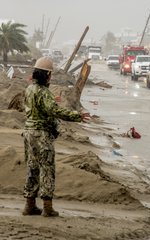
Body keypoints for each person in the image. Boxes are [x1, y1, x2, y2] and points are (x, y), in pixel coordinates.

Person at [22, 56, 89, 217]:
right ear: (47, 75)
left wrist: (52, 100)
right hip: (42, 135)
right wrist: (77, 116)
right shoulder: (44, 92)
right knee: (47, 169)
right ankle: (47, 208)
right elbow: (55, 111)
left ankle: (29, 206)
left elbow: (37, 106)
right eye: (50, 75)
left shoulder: (29, 89)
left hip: (28, 134)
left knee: (32, 168)